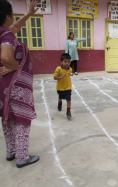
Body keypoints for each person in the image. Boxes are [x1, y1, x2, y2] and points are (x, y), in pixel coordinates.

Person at [0, 0, 39, 168]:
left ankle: (11, 152)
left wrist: (29, 14)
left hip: (4, 86)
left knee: (7, 119)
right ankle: (22, 157)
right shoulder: (6, 36)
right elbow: (6, 58)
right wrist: (15, 67)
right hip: (15, 87)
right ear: (8, 16)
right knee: (21, 120)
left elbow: (14, 28)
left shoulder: (3, 33)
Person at [54, 53, 72, 119]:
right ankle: (60, 102)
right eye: (65, 61)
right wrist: (61, 77)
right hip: (60, 87)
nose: (67, 63)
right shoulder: (58, 69)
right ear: (61, 62)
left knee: (68, 99)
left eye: (68, 62)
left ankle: (68, 112)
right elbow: (55, 77)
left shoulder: (70, 69)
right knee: (60, 96)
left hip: (68, 87)